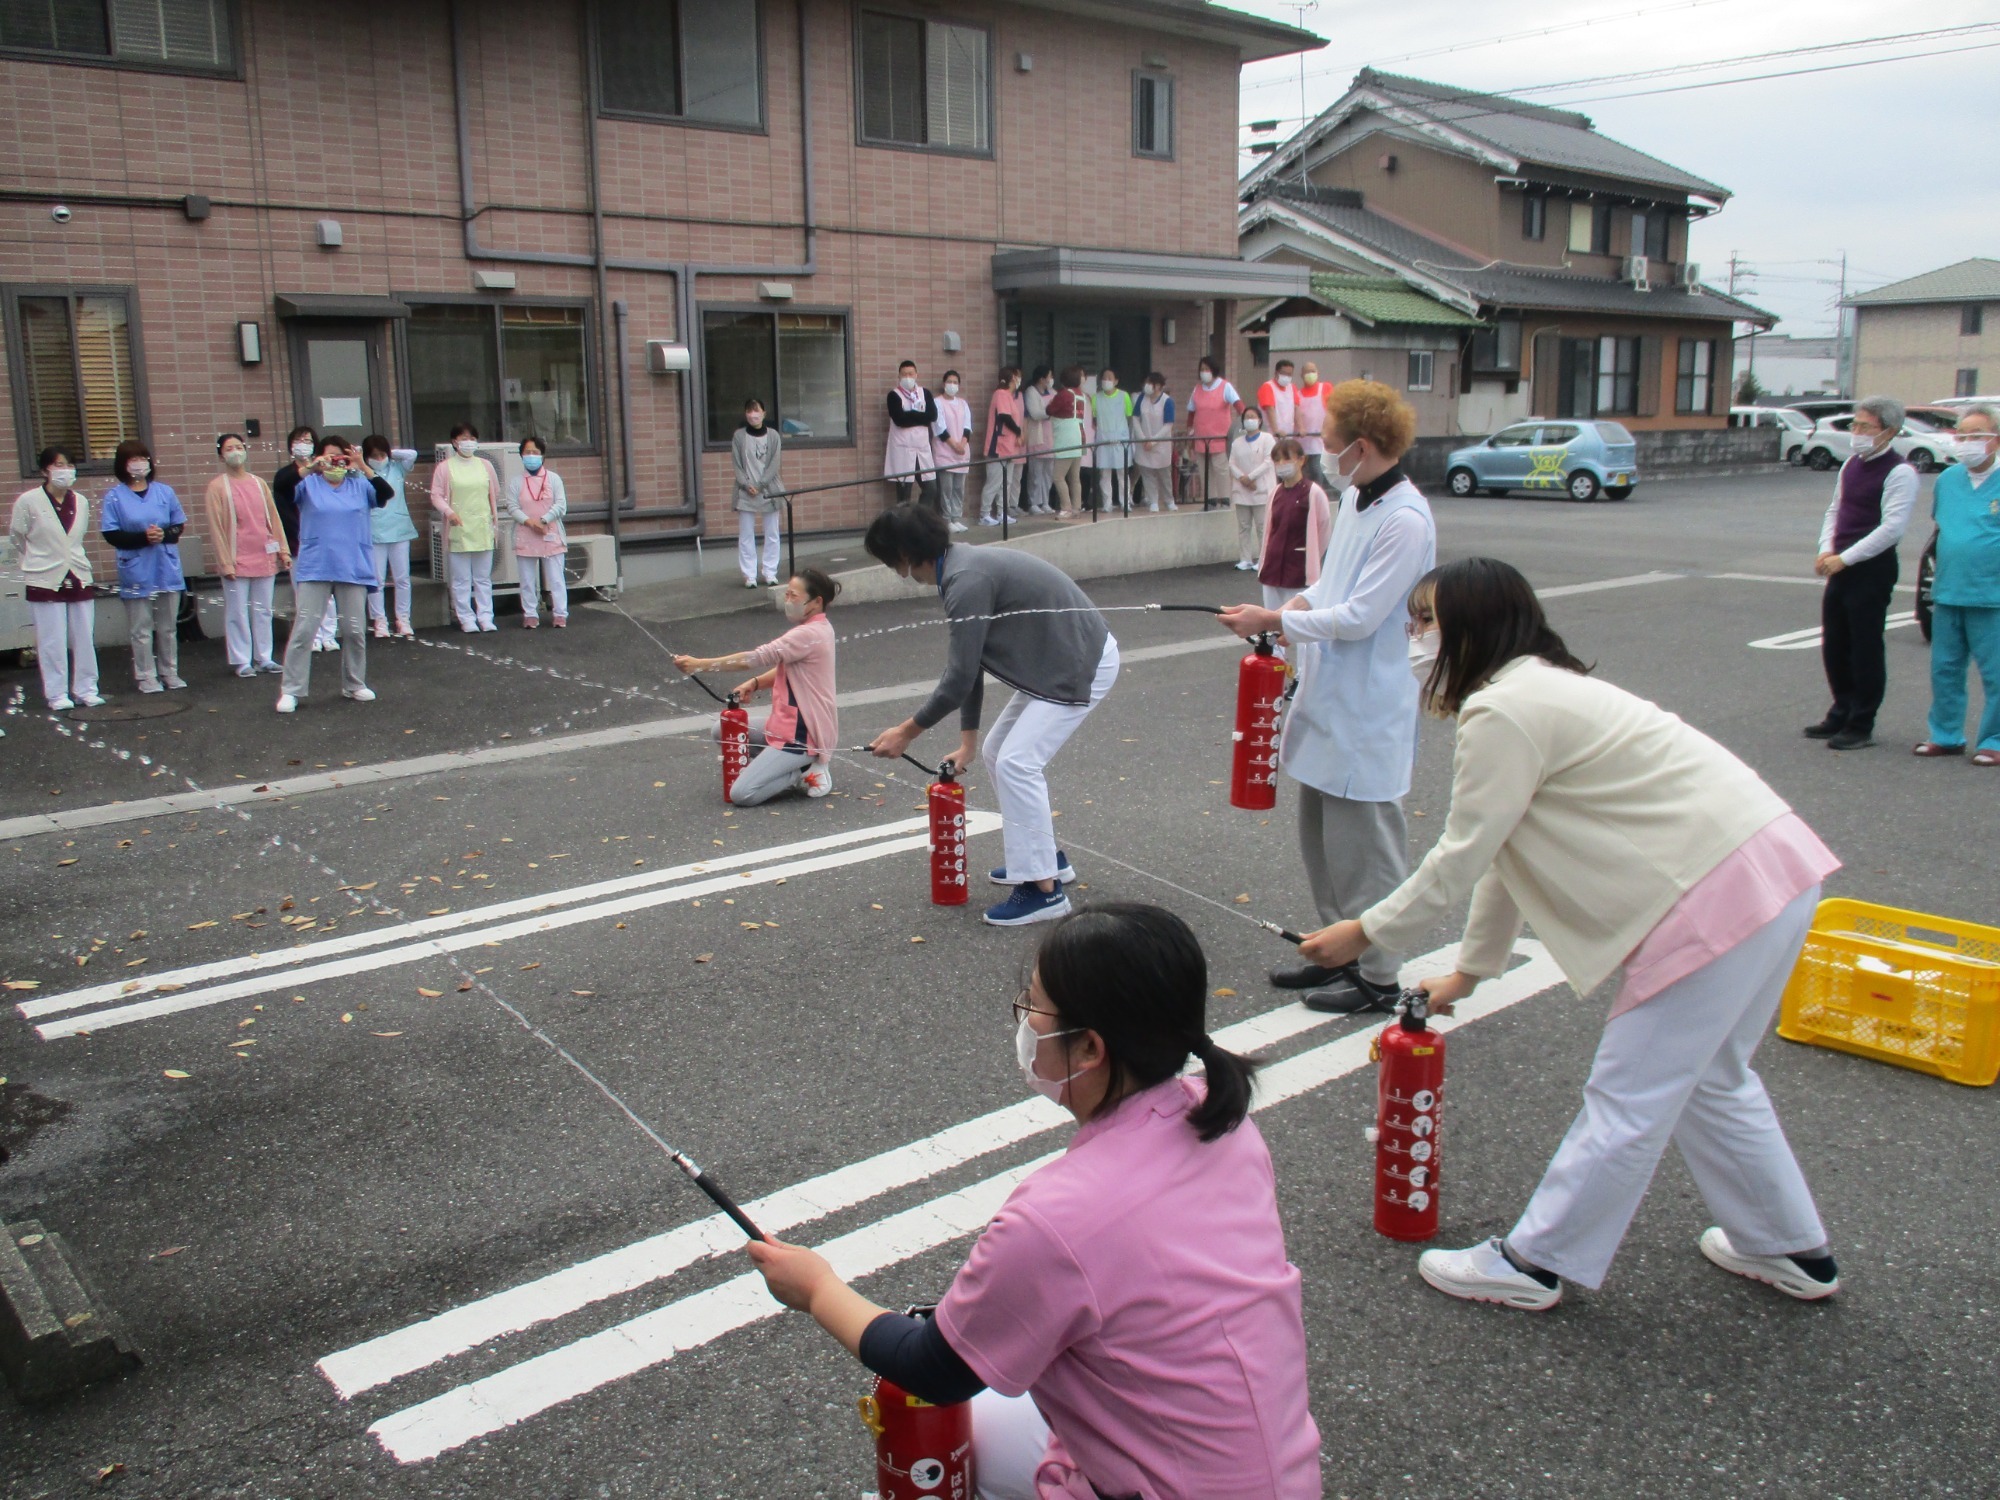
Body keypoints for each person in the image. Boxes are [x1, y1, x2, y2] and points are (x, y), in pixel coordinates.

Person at [1301, 557, 1843, 1312]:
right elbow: (1504, 850)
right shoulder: (1541, 689)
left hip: (1717, 894)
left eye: (1427, 622)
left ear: (1473, 628)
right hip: (1775, 870)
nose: (1415, 638)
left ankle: (1536, 1262)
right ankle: (1789, 1249)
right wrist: (1471, 971)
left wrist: (1366, 930)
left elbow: (1465, 852)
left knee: (1630, 1096)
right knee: (1712, 1078)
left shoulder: (1504, 709)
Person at [746, 904, 1322, 1500]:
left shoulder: (1059, 1218)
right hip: (1273, 1469)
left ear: (1090, 1048)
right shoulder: (1217, 1116)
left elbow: (932, 1369)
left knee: (948, 1430)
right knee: (987, 1423)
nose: (1025, 1022)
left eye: (1034, 1006)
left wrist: (815, 1289)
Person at [1219, 380, 1435, 1013]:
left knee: (1367, 847)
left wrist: (1275, 623)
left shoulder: (1405, 518)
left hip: (1369, 704)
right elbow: (1328, 588)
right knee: (1322, 839)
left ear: (1362, 447)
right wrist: (1280, 611)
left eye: (1332, 444)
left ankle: (1380, 973)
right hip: (1330, 692)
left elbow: (1363, 615)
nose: (1323, 454)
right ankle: (1338, 952)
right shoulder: (1361, 502)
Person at [864, 504, 1119, 927]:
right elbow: (971, 664)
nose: (895, 569)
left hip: (1079, 663)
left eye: (892, 559)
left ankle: (1043, 890)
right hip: (1057, 660)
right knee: (997, 751)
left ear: (906, 554)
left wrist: (907, 732)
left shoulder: (965, 580)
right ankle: (1047, 860)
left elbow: (960, 675)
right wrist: (968, 742)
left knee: (1019, 762)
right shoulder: (959, 568)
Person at [673, 568, 840, 805]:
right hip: (784, 725)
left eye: (793, 595)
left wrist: (699, 665)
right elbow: (789, 668)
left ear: (816, 602)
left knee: (742, 794)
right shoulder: (818, 629)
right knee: (723, 730)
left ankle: (802, 770)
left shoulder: (809, 634)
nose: (787, 600)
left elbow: (754, 658)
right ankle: (776, 767)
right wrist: (755, 683)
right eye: (787, 594)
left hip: (802, 736)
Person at [1807, 394, 1915, 751]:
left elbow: (1892, 529)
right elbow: (1834, 511)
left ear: (1889, 431)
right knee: (1836, 643)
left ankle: (1861, 722)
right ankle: (1840, 709)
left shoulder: (1900, 472)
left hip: (1871, 568)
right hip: (1841, 564)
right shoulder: (1850, 464)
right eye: (1855, 425)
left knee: (1865, 646)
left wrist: (1846, 558)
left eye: (1865, 426)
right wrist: (1826, 549)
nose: (1857, 432)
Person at [277, 436, 392, 713]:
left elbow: (385, 494)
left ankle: (354, 683)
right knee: (305, 629)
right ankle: (291, 690)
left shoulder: (359, 485)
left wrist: (362, 466)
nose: (334, 463)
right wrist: (310, 467)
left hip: (353, 566)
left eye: (340, 458)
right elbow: (281, 486)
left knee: (354, 630)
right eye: (328, 458)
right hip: (316, 566)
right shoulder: (308, 484)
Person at [1916, 403, 2000, 766]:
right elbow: (1942, 527)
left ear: (1995, 440)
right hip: (1950, 590)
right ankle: (1946, 735)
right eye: (1961, 435)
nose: (1967, 442)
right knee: (1945, 668)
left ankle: (1994, 739)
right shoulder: (1948, 480)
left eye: (1976, 436)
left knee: (1996, 673)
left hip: (1992, 594)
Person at [10, 447, 104, 710]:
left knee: (84, 635)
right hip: (43, 576)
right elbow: (18, 536)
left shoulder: (81, 501)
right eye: (58, 465)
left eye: (69, 465)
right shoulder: (28, 501)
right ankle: (57, 693)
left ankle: (86, 688)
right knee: (52, 639)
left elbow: (78, 536)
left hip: (77, 573)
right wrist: (34, 561)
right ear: (44, 471)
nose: (64, 470)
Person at [99, 440, 187, 694]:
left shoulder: (164, 492)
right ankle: (146, 675)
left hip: (165, 565)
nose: (139, 464)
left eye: (143, 458)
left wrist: (164, 534)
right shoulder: (115, 496)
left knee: (168, 626)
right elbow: (111, 534)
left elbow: (178, 525)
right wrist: (142, 538)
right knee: (141, 627)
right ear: (123, 465)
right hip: (136, 567)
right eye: (133, 459)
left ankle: (170, 671)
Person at [205, 433, 291, 676]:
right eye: (229, 447)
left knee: (263, 609)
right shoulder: (217, 487)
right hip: (235, 557)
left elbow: (273, 519)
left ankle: (264, 656)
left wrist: (282, 550)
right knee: (237, 610)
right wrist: (225, 562)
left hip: (263, 553)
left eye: (239, 446)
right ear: (221, 454)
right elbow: (216, 528)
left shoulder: (258, 483)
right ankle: (242, 660)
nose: (235, 451)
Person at [273, 424, 339, 653]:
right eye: (300, 440)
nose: (305, 443)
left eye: (309, 440)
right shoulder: (285, 475)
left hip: (324, 540)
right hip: (297, 542)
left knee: (327, 591)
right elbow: (286, 483)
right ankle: (312, 635)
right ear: (291, 446)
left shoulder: (324, 474)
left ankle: (329, 633)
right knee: (304, 592)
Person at [433, 423, 502, 632]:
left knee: (483, 577)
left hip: (482, 526)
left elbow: (494, 491)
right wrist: (449, 512)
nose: (468, 442)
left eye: (472, 438)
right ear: (454, 442)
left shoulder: (485, 465)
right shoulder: (445, 467)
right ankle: (465, 617)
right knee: (461, 578)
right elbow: (436, 494)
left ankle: (486, 617)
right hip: (458, 528)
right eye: (464, 438)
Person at [1257, 437, 1333, 610]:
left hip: (1299, 571)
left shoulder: (1314, 493)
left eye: (1287, 458)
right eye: (1277, 460)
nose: (1282, 464)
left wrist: (1310, 555)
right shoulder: (1275, 493)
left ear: (1301, 460)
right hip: (1272, 568)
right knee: (1273, 623)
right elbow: (1269, 531)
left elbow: (1324, 530)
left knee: (1298, 624)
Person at [360, 434, 420, 640]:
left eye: (382, 454)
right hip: (374, 531)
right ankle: (379, 620)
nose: (379, 458)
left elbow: (412, 454)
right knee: (376, 579)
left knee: (402, 578)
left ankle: (403, 619)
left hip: (400, 529)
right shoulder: (362, 474)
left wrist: (389, 452)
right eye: (374, 455)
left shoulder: (397, 467)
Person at [508, 436, 569, 628]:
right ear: (521, 456)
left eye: (535, 452)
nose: (531, 456)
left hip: (550, 532)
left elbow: (561, 504)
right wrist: (530, 522)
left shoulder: (553, 479)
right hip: (526, 532)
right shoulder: (516, 482)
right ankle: (530, 614)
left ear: (542, 455)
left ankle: (560, 613)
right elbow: (512, 507)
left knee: (556, 577)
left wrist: (544, 520)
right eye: (527, 452)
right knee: (527, 579)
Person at [727, 396, 785, 589]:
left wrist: (760, 485)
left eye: (757, 410)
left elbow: (774, 464)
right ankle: (749, 575)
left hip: (769, 490)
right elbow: (737, 464)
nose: (754, 415)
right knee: (746, 534)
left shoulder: (774, 436)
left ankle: (770, 572)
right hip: (745, 492)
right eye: (750, 411)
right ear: (746, 414)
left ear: (764, 413)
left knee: (772, 533)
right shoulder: (739, 436)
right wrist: (746, 484)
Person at [1186, 356, 1241, 507]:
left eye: (1207, 369)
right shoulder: (1197, 389)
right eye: (1202, 369)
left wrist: (1241, 426)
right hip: (1200, 437)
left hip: (1220, 438)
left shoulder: (1225, 386)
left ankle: (1224, 499)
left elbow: (1239, 405)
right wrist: (1190, 431)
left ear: (1214, 370)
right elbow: (1191, 412)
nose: (1204, 372)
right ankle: (1209, 500)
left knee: (1221, 470)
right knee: (1205, 471)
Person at [885, 360, 939, 508]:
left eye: (910, 374)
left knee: (931, 488)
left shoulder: (924, 393)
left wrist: (911, 415)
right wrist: (921, 417)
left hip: (922, 448)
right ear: (899, 376)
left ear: (916, 374)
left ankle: (919, 518)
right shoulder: (894, 395)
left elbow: (933, 415)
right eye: (904, 374)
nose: (907, 377)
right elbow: (900, 420)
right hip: (903, 449)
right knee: (904, 495)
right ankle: (904, 526)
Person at [1228, 410, 1277, 571]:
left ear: (1260, 420)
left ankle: (1264, 559)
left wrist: (1251, 477)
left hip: (1261, 488)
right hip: (1242, 489)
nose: (1250, 420)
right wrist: (1243, 478)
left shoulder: (1267, 439)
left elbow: (1269, 461)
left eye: (1253, 417)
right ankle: (1245, 558)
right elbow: (1232, 463)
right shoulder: (1237, 442)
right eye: (1247, 417)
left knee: (1262, 526)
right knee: (1243, 525)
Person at [979, 367, 1025, 526]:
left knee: (1007, 482)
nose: (1019, 380)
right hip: (997, 445)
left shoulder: (1010, 397)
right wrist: (1018, 431)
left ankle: (1001, 512)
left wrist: (1018, 435)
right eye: (1018, 377)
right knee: (994, 482)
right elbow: (1004, 416)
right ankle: (984, 514)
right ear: (1012, 377)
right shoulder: (1001, 394)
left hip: (1009, 446)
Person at [1044, 367, 1089, 517]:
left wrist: (1050, 404)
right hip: (1079, 437)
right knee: (1075, 478)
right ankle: (1076, 507)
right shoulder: (1080, 395)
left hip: (1065, 439)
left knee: (1058, 476)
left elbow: (1050, 410)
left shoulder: (1063, 395)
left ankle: (1066, 508)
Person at [933, 370, 974, 533]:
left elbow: (967, 426)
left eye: (955, 382)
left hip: (961, 452)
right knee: (946, 488)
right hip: (945, 451)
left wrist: (962, 444)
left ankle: (957, 517)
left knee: (959, 488)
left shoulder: (963, 403)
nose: (952, 385)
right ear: (944, 384)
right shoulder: (938, 402)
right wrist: (954, 445)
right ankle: (946, 519)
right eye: (949, 381)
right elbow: (939, 427)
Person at [1090, 367, 1134, 515]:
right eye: (1104, 377)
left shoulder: (1124, 396)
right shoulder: (1096, 398)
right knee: (1105, 474)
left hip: (1120, 438)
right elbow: (1095, 417)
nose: (1106, 381)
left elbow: (1129, 416)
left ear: (1116, 381)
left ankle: (1125, 502)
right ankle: (1107, 503)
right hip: (1103, 438)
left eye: (1110, 378)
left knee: (1122, 473)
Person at [1131, 372, 1177, 511]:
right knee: (1147, 473)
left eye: (1150, 383)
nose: (1147, 386)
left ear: (1158, 386)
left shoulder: (1167, 401)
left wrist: (1154, 441)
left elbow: (1168, 424)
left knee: (1164, 474)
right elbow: (1135, 418)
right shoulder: (1141, 399)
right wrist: (1143, 438)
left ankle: (1169, 500)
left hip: (1161, 445)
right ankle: (1153, 501)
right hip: (1143, 444)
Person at [1022, 366, 1056, 515]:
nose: (1050, 380)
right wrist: (1049, 412)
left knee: (1048, 473)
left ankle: (1045, 501)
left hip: (1051, 438)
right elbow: (1035, 413)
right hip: (1037, 437)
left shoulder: (1053, 393)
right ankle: (1034, 502)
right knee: (1035, 473)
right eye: (1049, 376)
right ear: (1042, 378)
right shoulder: (1031, 392)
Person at [1295, 363, 1331, 490]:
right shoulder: (1297, 394)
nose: (1310, 374)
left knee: (1317, 470)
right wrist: (1300, 428)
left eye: (1313, 371)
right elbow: (1296, 414)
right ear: (1301, 375)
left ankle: (1318, 496)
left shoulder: (1325, 388)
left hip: (1320, 440)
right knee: (1303, 474)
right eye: (1307, 372)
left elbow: (1333, 411)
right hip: (1303, 442)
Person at [1257, 358, 1299, 444]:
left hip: (1287, 435)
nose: (1287, 377)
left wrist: (1301, 427)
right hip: (1270, 436)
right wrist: (1276, 430)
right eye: (1284, 373)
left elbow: (1296, 408)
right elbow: (1270, 409)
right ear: (1276, 373)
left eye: (1289, 374)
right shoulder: (1267, 387)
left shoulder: (1292, 388)